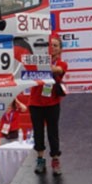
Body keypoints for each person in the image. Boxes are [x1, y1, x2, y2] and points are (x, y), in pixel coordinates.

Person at [28, 34, 68, 176]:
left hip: (52, 103)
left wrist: (41, 64)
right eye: (50, 45)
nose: (52, 48)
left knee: (53, 132)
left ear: (60, 50)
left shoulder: (62, 64)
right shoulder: (37, 60)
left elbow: (58, 70)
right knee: (38, 133)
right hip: (35, 103)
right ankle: (40, 159)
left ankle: (55, 160)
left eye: (55, 45)